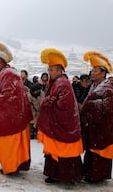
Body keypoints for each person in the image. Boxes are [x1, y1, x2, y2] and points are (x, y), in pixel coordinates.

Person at [0, 40, 32, 175]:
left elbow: (10, 97)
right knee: (6, 143)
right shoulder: (5, 72)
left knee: (7, 142)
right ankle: (11, 165)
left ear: (0, 61)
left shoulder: (9, 73)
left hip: (11, 117)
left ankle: (11, 166)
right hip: (10, 116)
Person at [37, 48, 83, 185]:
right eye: (49, 70)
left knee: (64, 151)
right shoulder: (56, 82)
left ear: (60, 71)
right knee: (54, 152)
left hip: (63, 125)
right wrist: (48, 101)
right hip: (56, 125)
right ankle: (55, 174)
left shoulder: (63, 83)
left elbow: (64, 106)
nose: (49, 72)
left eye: (52, 70)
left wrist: (48, 102)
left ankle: (68, 177)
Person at [80, 51, 113, 182]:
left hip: (102, 127)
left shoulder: (107, 88)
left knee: (99, 153)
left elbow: (108, 110)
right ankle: (89, 173)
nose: (92, 73)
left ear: (103, 73)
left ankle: (97, 176)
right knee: (91, 151)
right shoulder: (94, 86)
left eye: (95, 70)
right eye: (92, 70)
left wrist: (90, 104)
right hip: (93, 125)